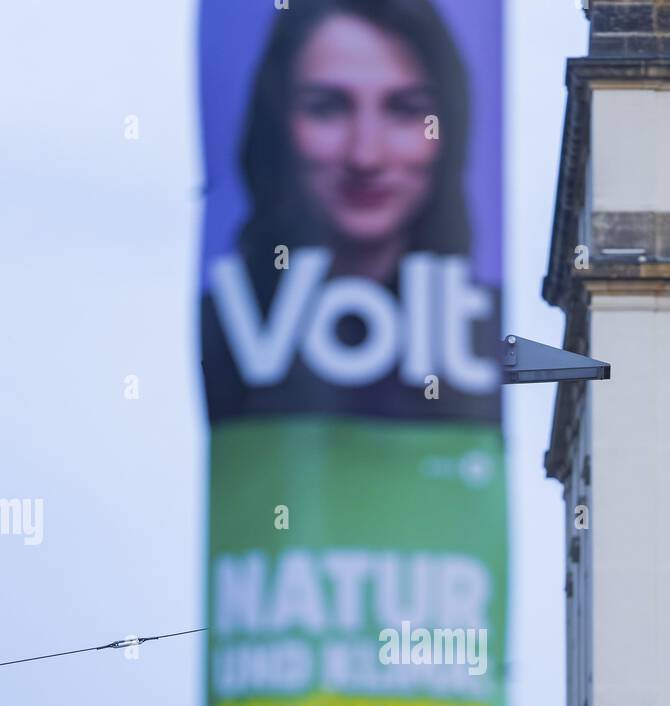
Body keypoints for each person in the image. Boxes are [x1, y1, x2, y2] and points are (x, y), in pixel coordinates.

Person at [201, 0, 498, 425]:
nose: (365, 156)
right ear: (277, 124)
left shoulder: (481, 333)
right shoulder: (221, 332)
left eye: (405, 109)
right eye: (327, 107)